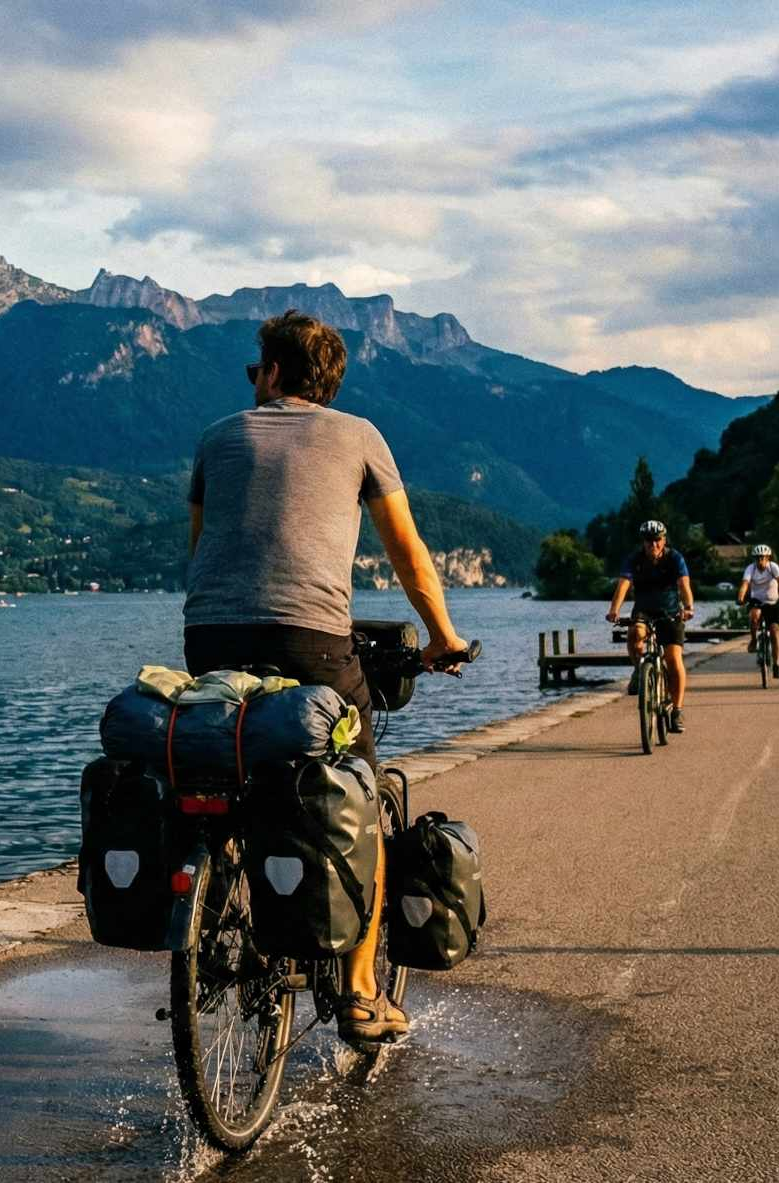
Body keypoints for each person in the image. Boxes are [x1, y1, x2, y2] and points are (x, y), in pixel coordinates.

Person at [182, 309, 469, 1050]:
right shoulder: (359, 435)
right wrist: (442, 636)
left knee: (238, 764)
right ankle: (361, 991)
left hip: (207, 636)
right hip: (311, 639)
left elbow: (198, 551)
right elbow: (408, 555)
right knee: (363, 800)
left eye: (255, 372)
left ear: (273, 372)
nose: (251, 384)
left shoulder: (217, 437)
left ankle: (227, 886)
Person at [605, 521, 694, 732]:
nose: (653, 544)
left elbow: (683, 584)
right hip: (644, 610)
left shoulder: (674, 558)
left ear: (664, 540)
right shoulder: (634, 560)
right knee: (635, 634)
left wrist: (689, 606)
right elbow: (623, 585)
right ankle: (639, 671)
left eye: (657, 540)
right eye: (648, 541)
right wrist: (614, 610)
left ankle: (677, 710)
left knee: (673, 659)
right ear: (643, 542)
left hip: (671, 612)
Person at [738, 544, 779, 678]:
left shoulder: (773, 567)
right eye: (758, 558)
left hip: (772, 602)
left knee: (775, 632)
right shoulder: (750, 569)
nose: (760, 561)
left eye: (763, 558)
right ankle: (753, 640)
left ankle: (776, 665)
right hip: (757, 601)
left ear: (767, 558)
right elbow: (745, 585)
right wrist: (740, 598)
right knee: (754, 616)